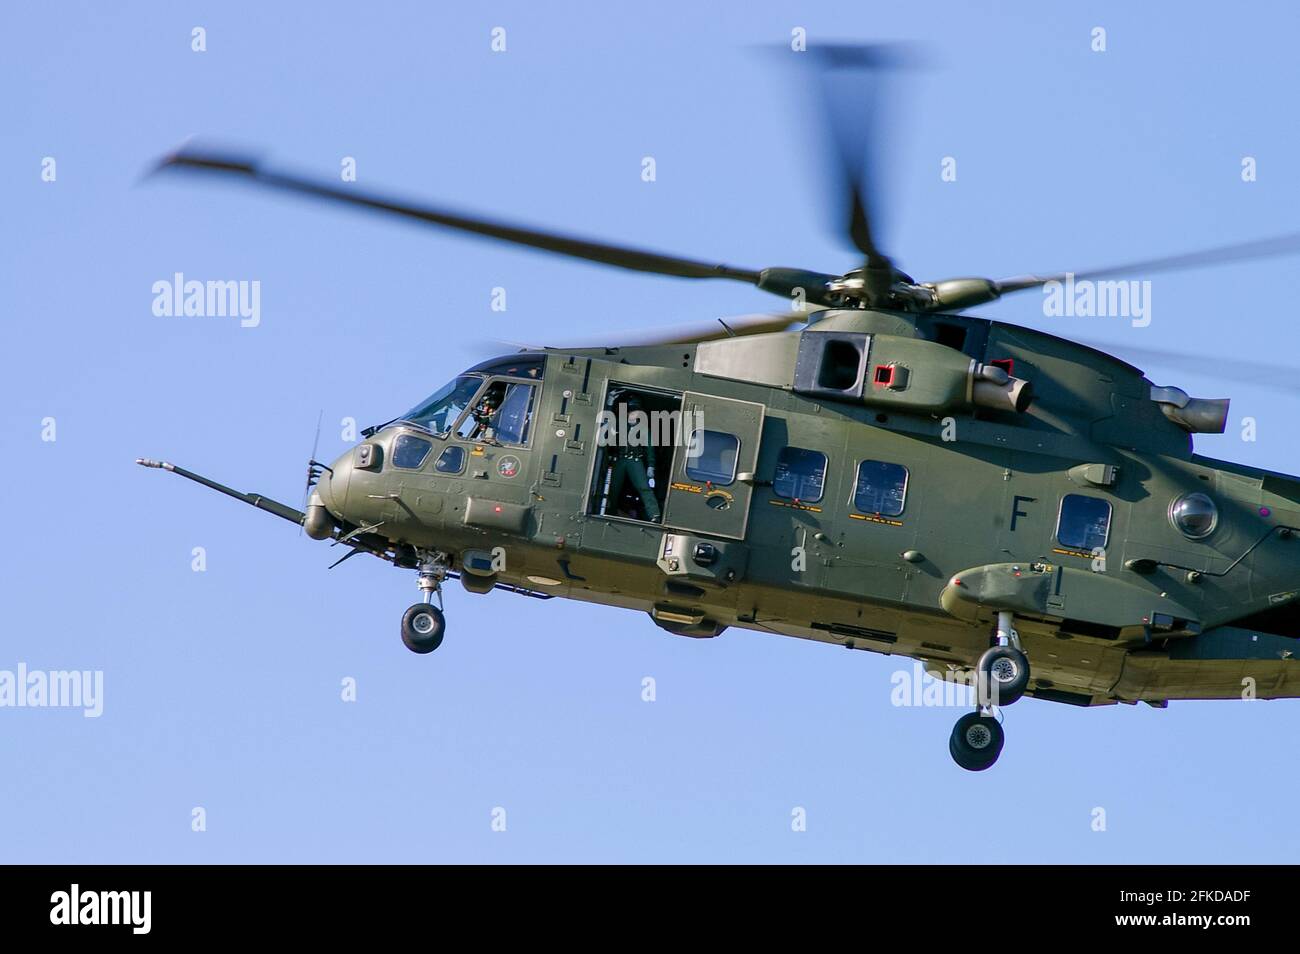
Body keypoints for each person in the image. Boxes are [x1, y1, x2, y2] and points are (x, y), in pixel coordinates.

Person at [606, 394, 661, 522]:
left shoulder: (643, 428)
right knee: (613, 488)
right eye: (632, 411)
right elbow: (606, 422)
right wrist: (610, 403)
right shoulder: (619, 424)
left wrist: (651, 466)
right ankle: (610, 510)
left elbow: (650, 447)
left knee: (644, 487)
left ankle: (654, 514)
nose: (634, 414)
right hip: (618, 459)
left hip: (634, 460)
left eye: (637, 411)